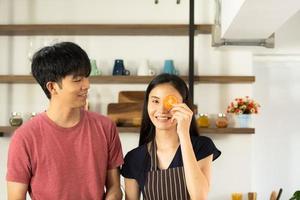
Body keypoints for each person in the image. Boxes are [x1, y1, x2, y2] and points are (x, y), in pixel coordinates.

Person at [6, 42, 124, 200]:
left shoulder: (105, 127)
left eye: (86, 78)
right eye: (77, 80)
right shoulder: (24, 138)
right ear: (52, 87)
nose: (87, 85)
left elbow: (115, 188)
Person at [121, 73, 221, 200]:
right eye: (155, 101)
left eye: (170, 101)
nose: (162, 110)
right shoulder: (134, 158)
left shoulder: (201, 147)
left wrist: (184, 134)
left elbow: (199, 196)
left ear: (185, 106)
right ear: (147, 105)